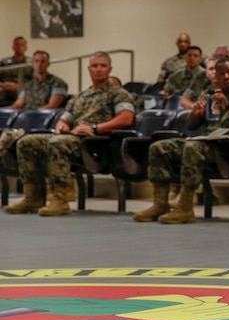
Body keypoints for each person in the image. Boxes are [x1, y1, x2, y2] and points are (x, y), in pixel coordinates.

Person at [133, 58, 229, 225]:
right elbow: (191, 124)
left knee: (192, 147)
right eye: (222, 74)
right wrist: (197, 113)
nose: (226, 77)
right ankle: (160, 204)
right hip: (207, 142)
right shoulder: (210, 94)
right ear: (215, 76)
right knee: (159, 148)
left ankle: (185, 207)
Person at [6, 52, 135, 216]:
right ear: (89, 69)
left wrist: (94, 128)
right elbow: (66, 119)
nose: (98, 70)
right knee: (27, 142)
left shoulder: (118, 94)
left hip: (95, 142)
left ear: (110, 69)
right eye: (95, 66)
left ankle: (60, 199)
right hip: (72, 137)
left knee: (58, 143)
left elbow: (126, 118)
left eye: (103, 66)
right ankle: (34, 197)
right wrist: (61, 126)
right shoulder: (80, 97)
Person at [0, 36, 32, 106]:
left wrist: (17, 86)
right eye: (17, 44)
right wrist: (3, 85)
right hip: (5, 93)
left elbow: (36, 81)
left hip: (24, 94)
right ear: (13, 47)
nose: (19, 47)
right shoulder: (4, 62)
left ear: (26, 48)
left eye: (22, 45)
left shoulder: (31, 63)